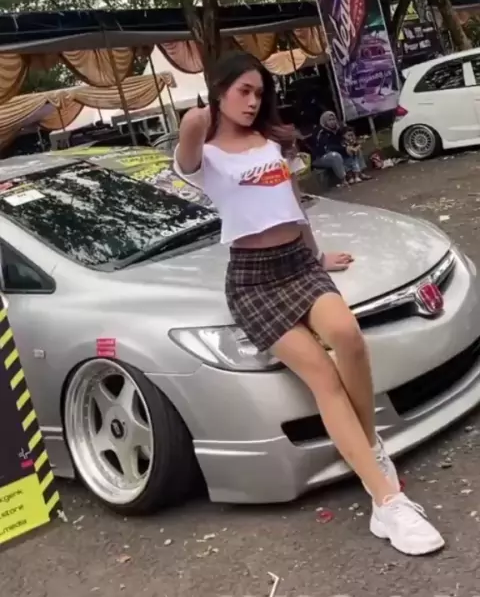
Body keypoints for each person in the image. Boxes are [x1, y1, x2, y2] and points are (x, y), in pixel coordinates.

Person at [174, 50, 444, 556]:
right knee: (322, 374)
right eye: (243, 91)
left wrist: (318, 255)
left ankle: (368, 450)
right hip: (253, 280)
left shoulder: (269, 143)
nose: (252, 102)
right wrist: (205, 107)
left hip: (298, 264)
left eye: (259, 93)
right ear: (220, 91)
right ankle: (388, 501)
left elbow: (293, 206)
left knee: (348, 337)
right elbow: (188, 136)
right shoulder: (204, 153)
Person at [311, 111, 370, 186]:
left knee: (355, 149)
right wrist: (345, 149)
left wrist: (353, 145)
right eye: (329, 120)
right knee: (335, 156)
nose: (332, 122)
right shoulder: (321, 132)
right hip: (322, 157)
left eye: (333, 119)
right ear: (325, 122)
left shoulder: (339, 129)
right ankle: (343, 179)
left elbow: (346, 139)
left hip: (339, 151)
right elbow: (328, 148)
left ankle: (360, 173)